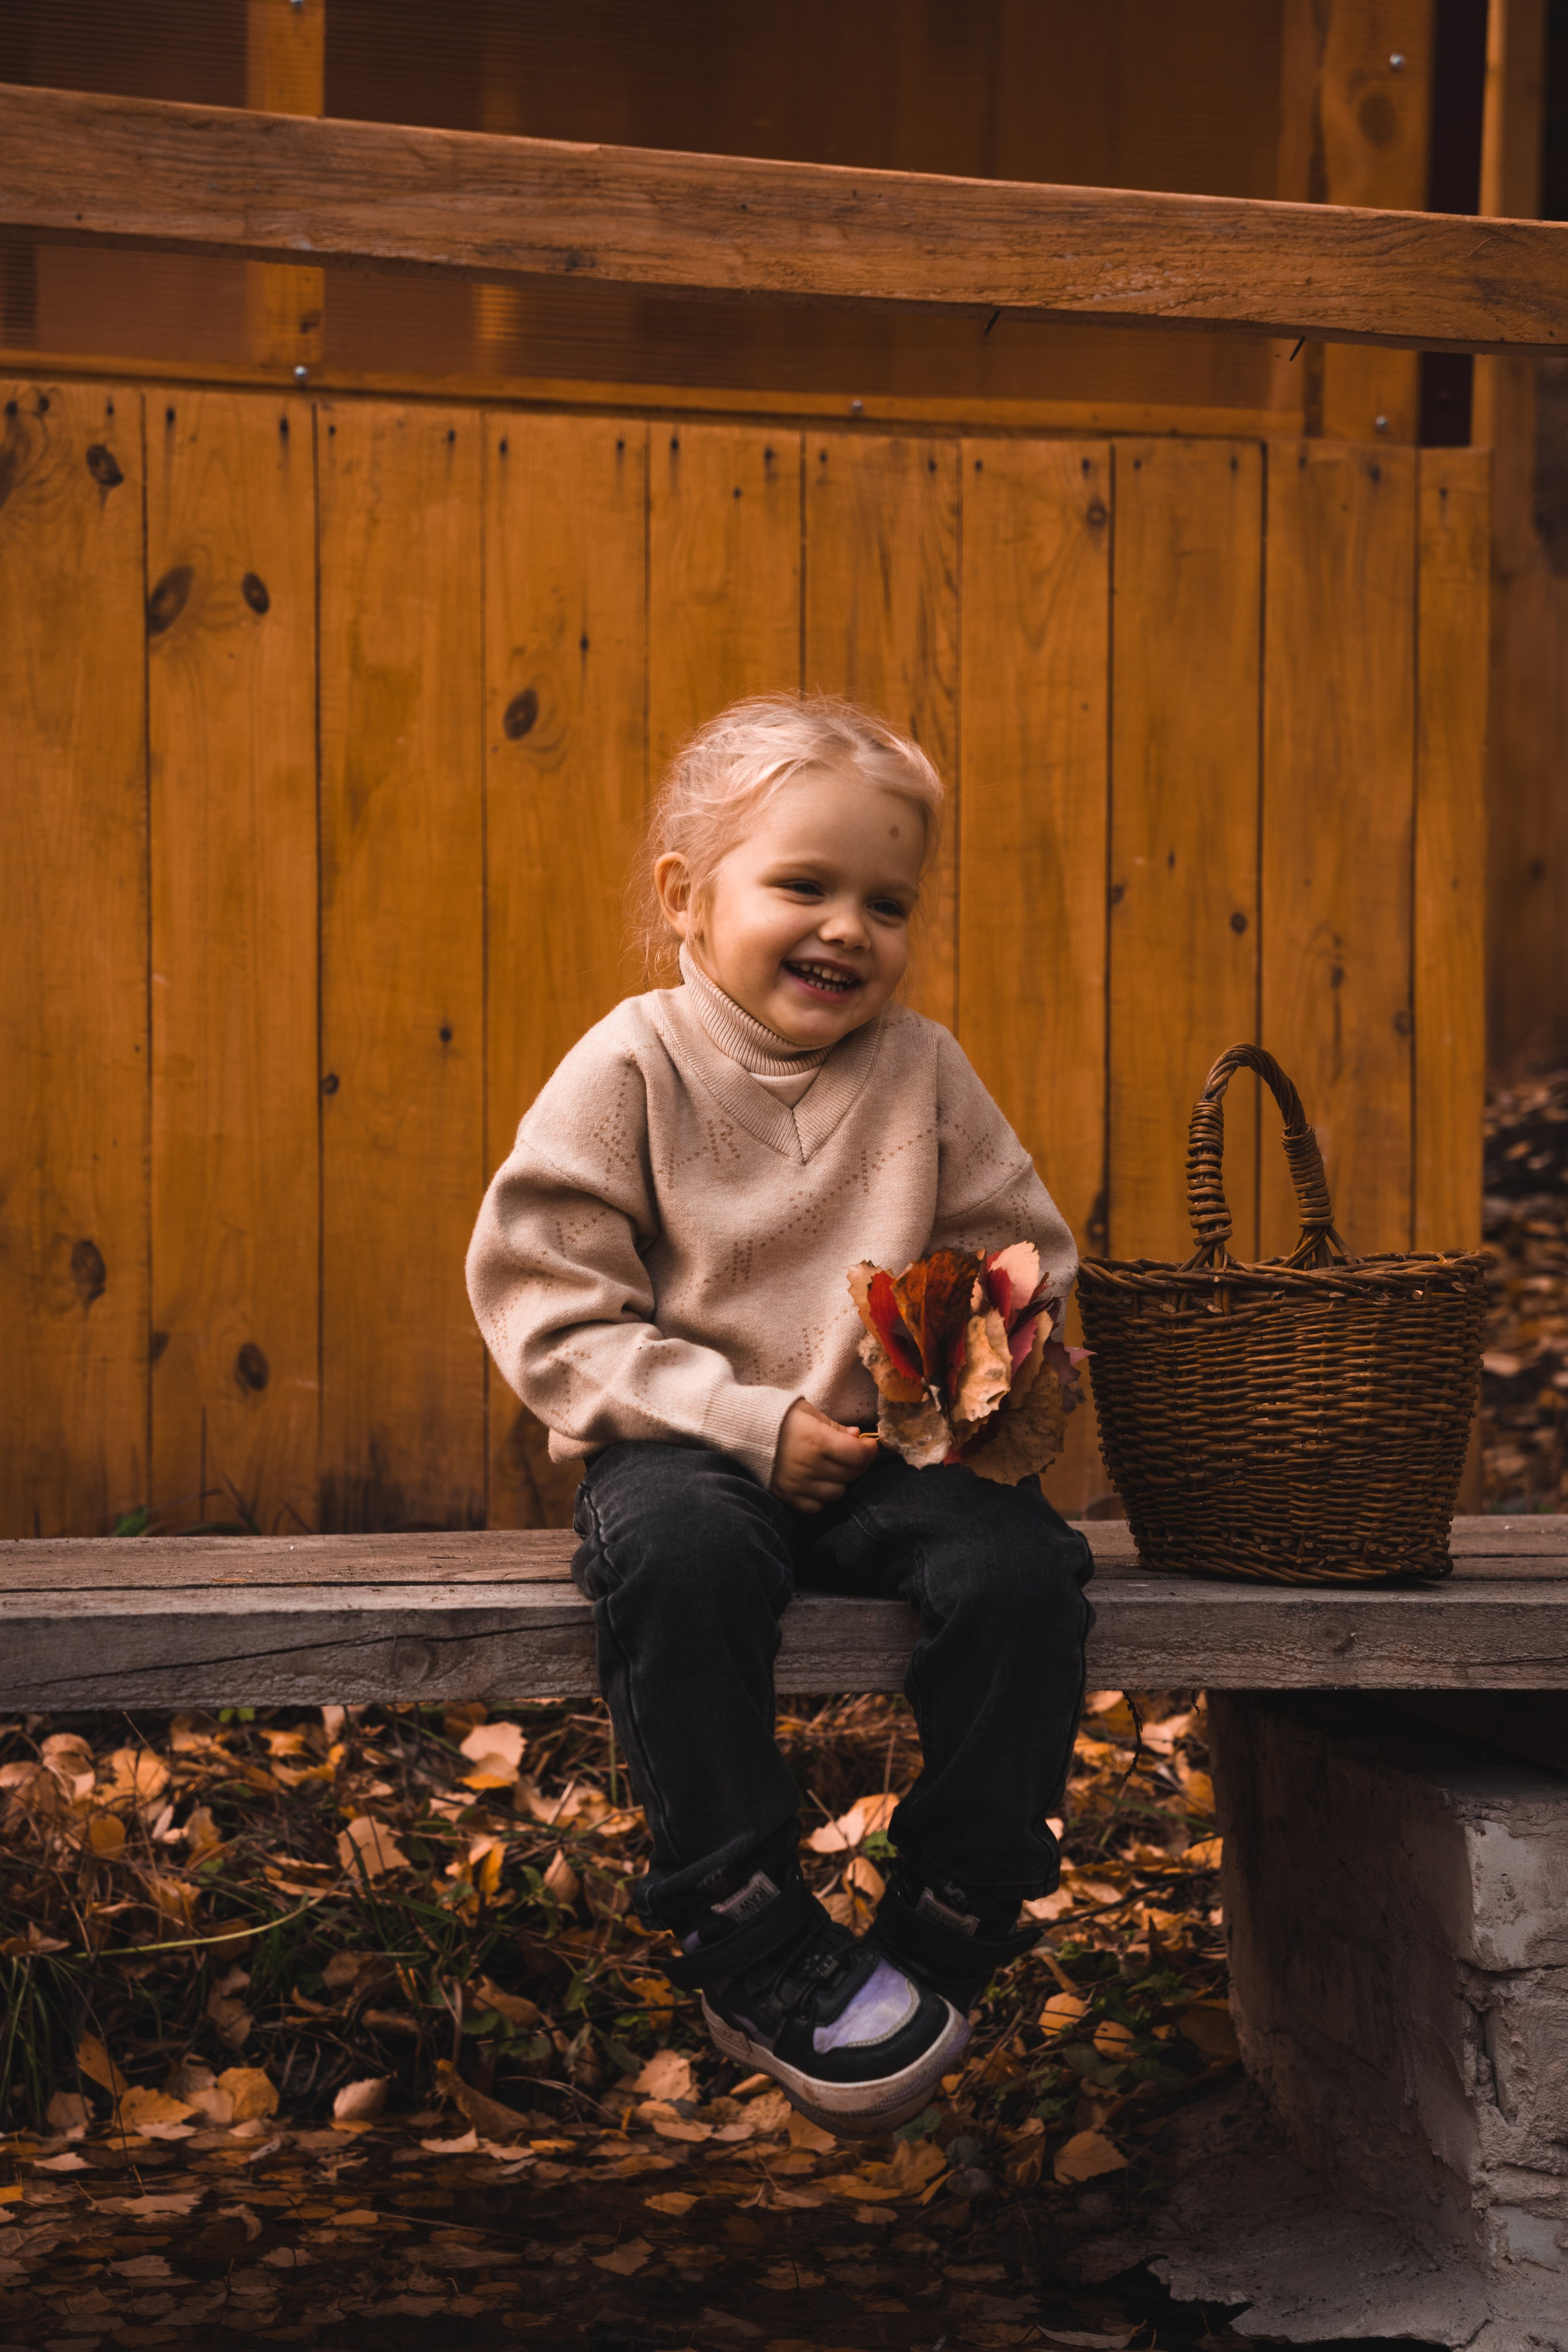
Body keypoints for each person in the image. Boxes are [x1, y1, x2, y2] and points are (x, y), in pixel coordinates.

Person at [466, 694, 1093, 2135]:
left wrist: (982, 1355)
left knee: (1020, 1569)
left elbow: (1023, 1252)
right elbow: (546, 1305)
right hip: (688, 1452)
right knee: (674, 1565)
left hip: (883, 1452)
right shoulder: (631, 1065)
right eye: (802, 886)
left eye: (884, 901)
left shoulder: (920, 1070)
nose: (846, 929)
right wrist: (744, 1424)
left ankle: (961, 1887)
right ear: (689, 899)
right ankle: (741, 1916)